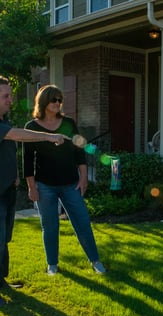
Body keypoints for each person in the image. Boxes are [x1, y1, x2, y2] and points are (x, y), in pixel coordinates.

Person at [0, 76, 66, 308]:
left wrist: (14, 175)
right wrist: (48, 136)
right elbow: (15, 135)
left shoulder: (3, 120)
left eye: (10, 95)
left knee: (4, 240)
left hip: (6, 190)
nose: (10, 99)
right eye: (6, 96)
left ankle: (0, 280)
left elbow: (7, 148)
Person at [23, 84, 106, 276]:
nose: (58, 103)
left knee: (82, 222)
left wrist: (83, 178)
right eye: (54, 99)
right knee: (50, 225)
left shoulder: (69, 123)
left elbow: (79, 151)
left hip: (71, 183)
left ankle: (95, 261)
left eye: (60, 100)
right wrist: (31, 187)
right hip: (44, 186)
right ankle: (52, 264)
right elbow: (27, 159)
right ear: (44, 101)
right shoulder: (32, 127)